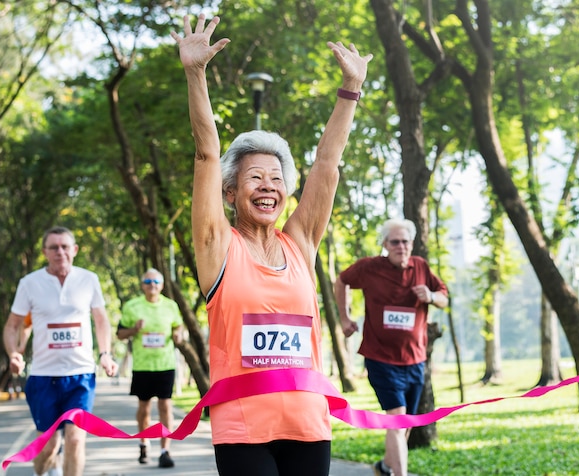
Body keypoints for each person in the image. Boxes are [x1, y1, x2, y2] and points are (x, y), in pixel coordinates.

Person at [170, 13, 372, 476]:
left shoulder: (300, 243)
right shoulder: (217, 246)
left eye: (276, 178)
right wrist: (195, 74)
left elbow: (327, 163)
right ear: (229, 193)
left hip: (308, 423)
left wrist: (350, 90)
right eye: (255, 177)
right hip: (243, 427)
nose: (268, 186)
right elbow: (205, 152)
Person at [334, 218, 448, 476]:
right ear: (385, 244)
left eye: (405, 241)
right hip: (380, 358)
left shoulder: (421, 267)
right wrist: (344, 317)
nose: (401, 246)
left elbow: (443, 296)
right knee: (397, 420)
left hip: (415, 360)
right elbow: (341, 281)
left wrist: (430, 296)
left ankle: (385, 466)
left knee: (403, 425)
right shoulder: (369, 268)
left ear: (412, 243)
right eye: (394, 242)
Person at [3, 226, 119, 476]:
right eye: (53, 247)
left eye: (65, 246)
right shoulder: (30, 283)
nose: (60, 252)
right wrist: (14, 353)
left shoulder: (89, 279)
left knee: (76, 438)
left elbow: (101, 320)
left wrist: (105, 354)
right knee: (48, 446)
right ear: (45, 252)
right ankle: (45, 471)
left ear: (74, 250)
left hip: (80, 375)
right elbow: (12, 325)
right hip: (44, 376)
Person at [116, 268, 183, 468]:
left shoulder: (171, 306)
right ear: (142, 284)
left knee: (165, 406)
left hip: (165, 364)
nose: (152, 284)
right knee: (144, 409)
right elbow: (120, 334)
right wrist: (134, 329)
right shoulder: (132, 306)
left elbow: (178, 326)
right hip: (143, 366)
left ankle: (165, 450)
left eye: (156, 281)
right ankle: (144, 443)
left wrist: (179, 334)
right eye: (147, 281)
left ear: (162, 285)